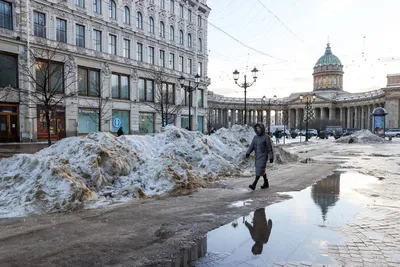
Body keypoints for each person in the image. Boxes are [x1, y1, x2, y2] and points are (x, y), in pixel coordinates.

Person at [246, 123, 274, 190]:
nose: (258, 129)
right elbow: (252, 146)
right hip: (257, 156)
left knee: (260, 170)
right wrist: (248, 153)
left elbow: (269, 148)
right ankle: (266, 183)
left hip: (264, 156)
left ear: (262, 129)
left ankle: (254, 184)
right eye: (257, 128)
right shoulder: (255, 137)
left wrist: (271, 157)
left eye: (259, 128)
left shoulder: (266, 137)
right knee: (261, 170)